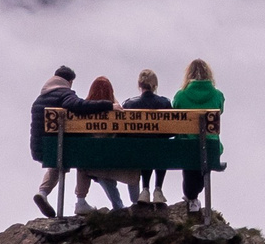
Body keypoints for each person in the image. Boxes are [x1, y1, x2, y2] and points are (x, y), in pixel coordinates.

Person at [31, 65, 109, 218]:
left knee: (56, 161)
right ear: (69, 81)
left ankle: (43, 192)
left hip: (41, 149)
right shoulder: (64, 94)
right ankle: (81, 201)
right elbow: (77, 105)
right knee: (82, 156)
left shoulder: (39, 99)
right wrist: (108, 105)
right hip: (63, 148)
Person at [76, 75, 138, 210]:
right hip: (116, 159)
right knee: (133, 164)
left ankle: (117, 205)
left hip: (94, 161)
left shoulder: (82, 112)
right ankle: (136, 202)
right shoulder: (117, 110)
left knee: (96, 167)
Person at [172, 58, 225, 218]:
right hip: (210, 148)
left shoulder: (181, 96)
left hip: (187, 147)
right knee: (203, 163)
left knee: (189, 165)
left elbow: (175, 111)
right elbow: (220, 110)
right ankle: (193, 197)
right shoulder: (217, 95)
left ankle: (191, 197)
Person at [125, 68, 173, 206]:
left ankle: (145, 189)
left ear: (139, 85)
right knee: (159, 145)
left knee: (145, 147)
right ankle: (158, 189)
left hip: (138, 153)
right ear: (155, 85)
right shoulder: (164, 103)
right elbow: (171, 131)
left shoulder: (129, 104)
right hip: (160, 151)